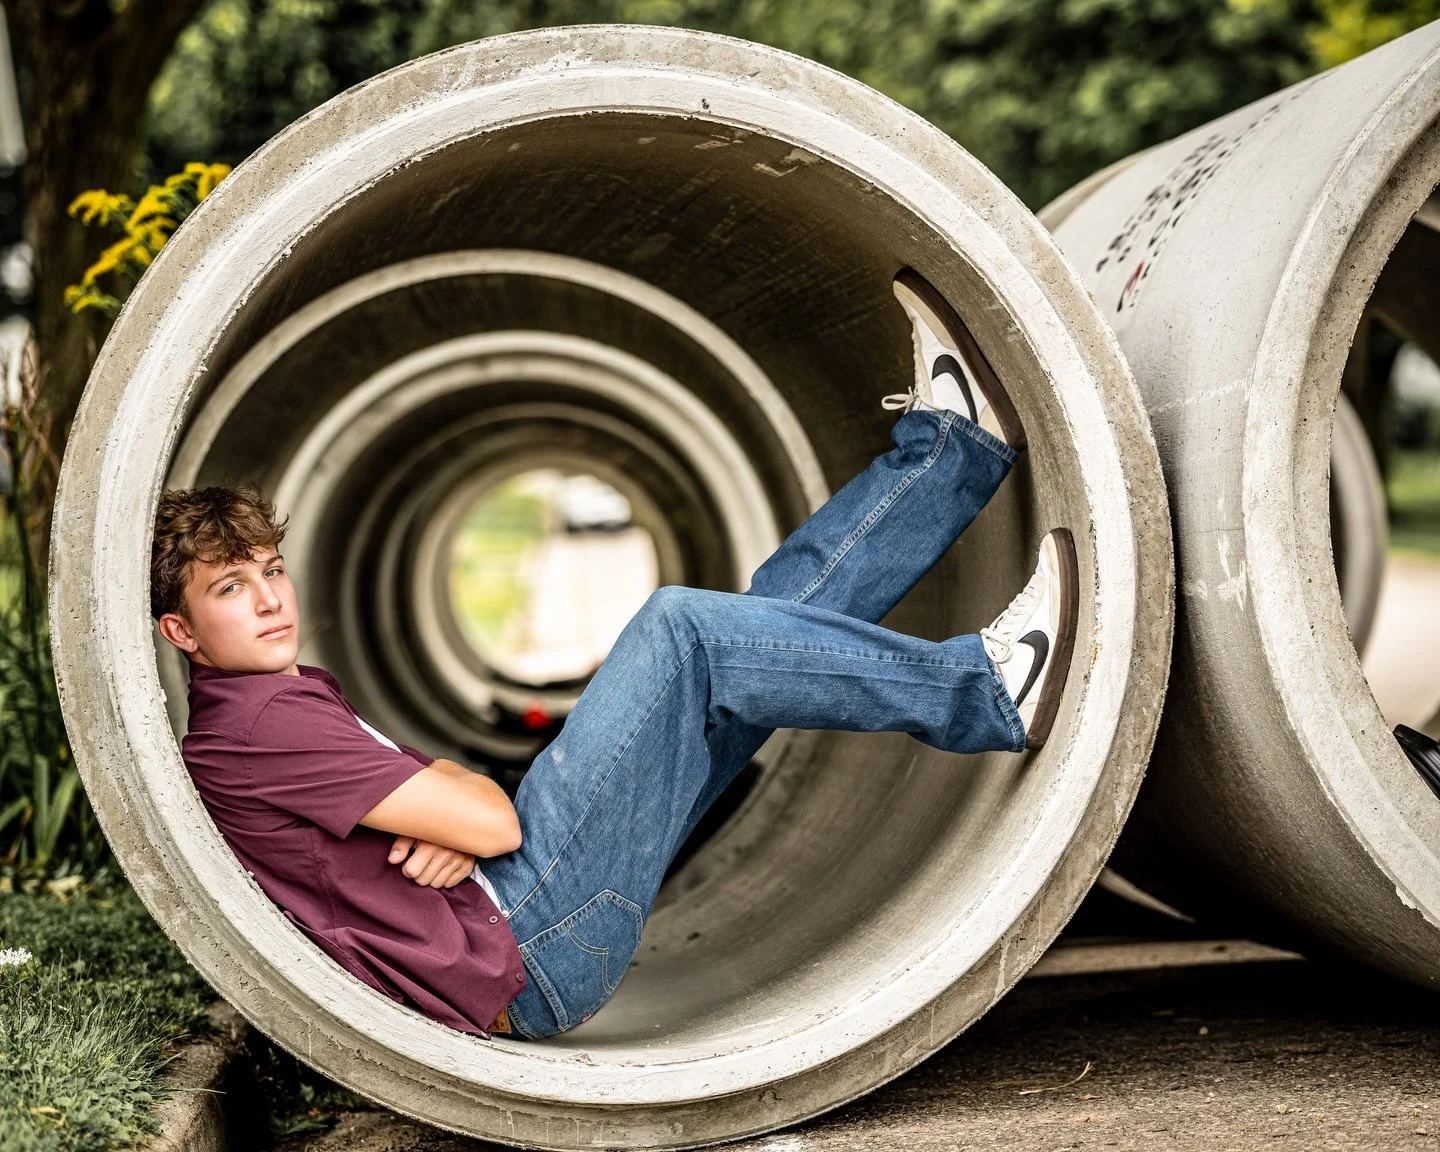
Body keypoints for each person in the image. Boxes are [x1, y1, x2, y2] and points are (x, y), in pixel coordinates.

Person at [153, 268, 1079, 1040]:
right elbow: (494, 826)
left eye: (270, 569)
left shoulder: (270, 706)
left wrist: (444, 820)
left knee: (750, 635)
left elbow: (464, 828)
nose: (270, 598)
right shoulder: (257, 727)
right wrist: (452, 813)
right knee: (681, 629)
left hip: (512, 916)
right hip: (525, 939)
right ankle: (987, 689)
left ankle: (952, 448)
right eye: (230, 588)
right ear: (181, 632)